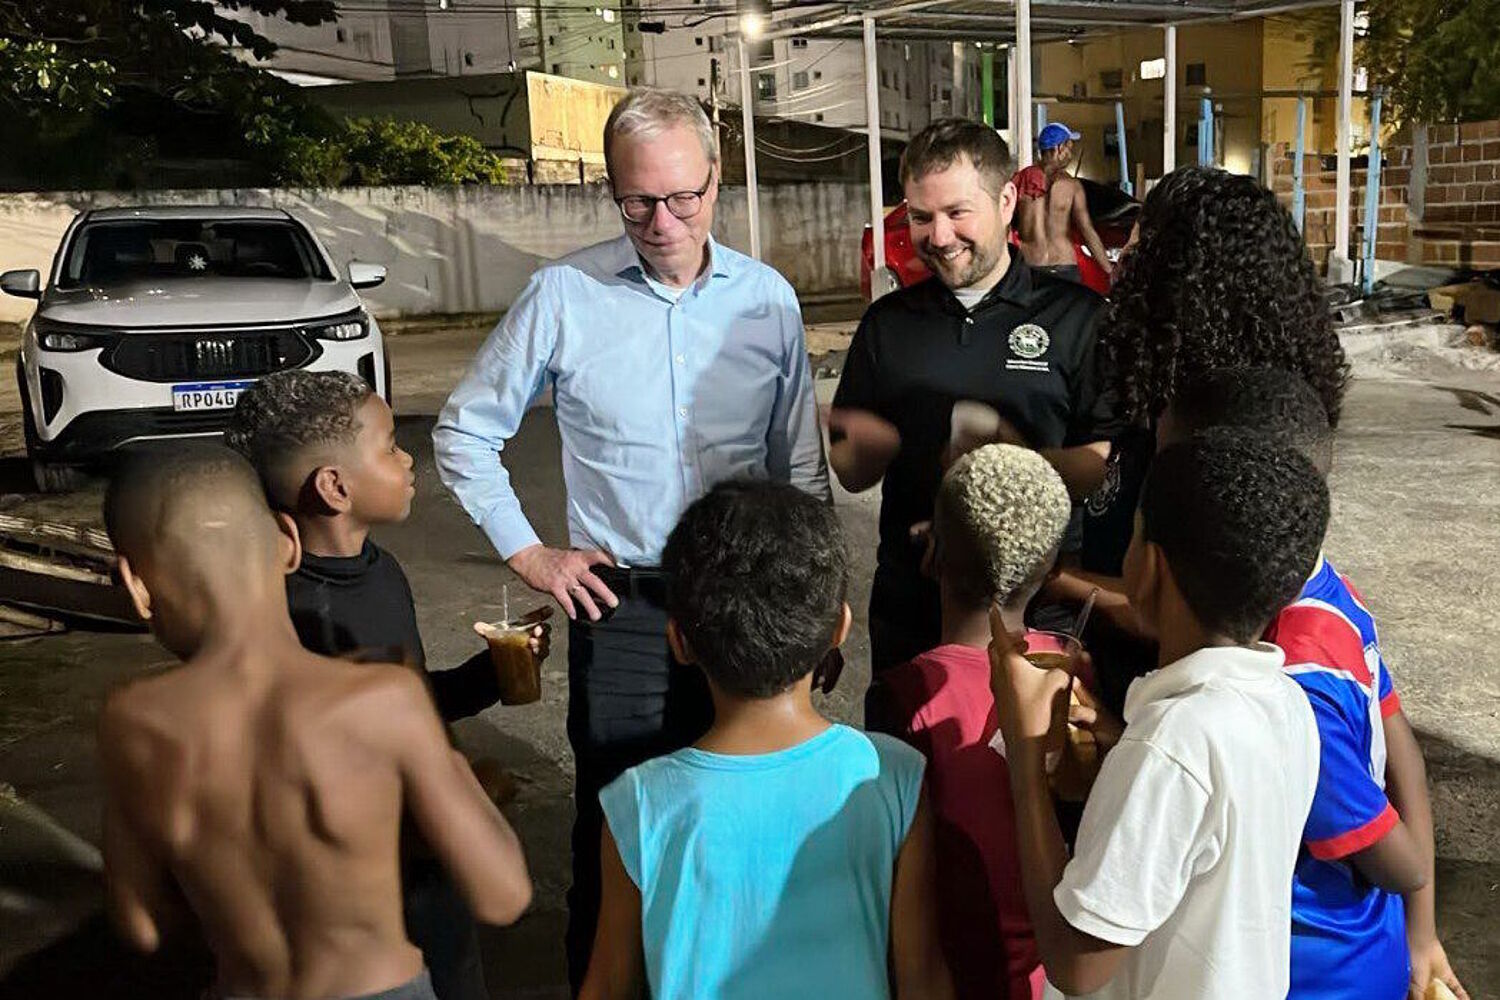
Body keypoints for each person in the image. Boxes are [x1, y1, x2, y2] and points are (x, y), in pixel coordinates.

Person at [432, 87, 829, 989]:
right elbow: (464, 431)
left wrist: (817, 596)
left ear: (716, 182)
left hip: (747, 601)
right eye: (637, 201)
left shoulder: (767, 300)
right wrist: (531, 553)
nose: (662, 221)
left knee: (745, 818)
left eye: (683, 197)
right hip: (624, 609)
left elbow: (797, 470)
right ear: (611, 192)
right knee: (615, 824)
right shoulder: (563, 296)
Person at [96, 445, 532, 1000]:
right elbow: (503, 895)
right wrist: (454, 770)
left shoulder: (132, 724)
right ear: (288, 540)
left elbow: (143, 925)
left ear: (135, 585)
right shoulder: (385, 701)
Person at [225, 369, 548, 1000]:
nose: (407, 460)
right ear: (334, 486)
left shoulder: (380, 571)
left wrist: (493, 674)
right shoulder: (288, 611)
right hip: (360, 910)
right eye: (390, 445)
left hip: (432, 880)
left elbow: (412, 702)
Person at [1159, 368, 1469, 1000]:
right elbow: (1401, 748)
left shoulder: (1291, 678)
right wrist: (1422, 935)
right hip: (1368, 946)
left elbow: (1400, 859)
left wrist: (1420, 927)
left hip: (1313, 971)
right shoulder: (1329, 594)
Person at [579, 481, 953, 1000]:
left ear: (679, 642)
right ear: (840, 629)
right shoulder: (890, 776)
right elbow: (924, 979)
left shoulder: (638, 801)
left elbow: (609, 986)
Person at [991, 431, 1325, 998]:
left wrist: (1023, 754)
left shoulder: (1175, 742)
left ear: (1148, 566)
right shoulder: (1284, 701)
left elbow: (1077, 964)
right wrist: (1121, 744)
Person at [1047, 165, 1350, 717]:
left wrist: (1060, 580)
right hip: (1127, 679)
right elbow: (1119, 468)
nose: (1125, 267)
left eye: (1142, 255)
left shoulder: (1234, 429)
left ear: (1191, 281)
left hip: (1172, 708)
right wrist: (1030, 461)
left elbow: (1189, 606)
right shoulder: (1167, 384)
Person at [828, 117, 1113, 700]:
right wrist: (857, 442)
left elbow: (1098, 468)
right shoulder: (888, 325)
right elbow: (856, 476)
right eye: (920, 217)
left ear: (1007, 200)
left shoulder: (1078, 319)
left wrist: (1009, 458)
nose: (938, 236)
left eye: (958, 213)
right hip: (912, 606)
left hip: (1037, 607)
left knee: (1037, 777)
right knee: (912, 777)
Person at [872, 444, 1074, 1000]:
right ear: (1054, 569)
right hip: (1054, 974)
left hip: (952, 977)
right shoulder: (1071, 668)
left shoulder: (901, 698)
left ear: (932, 551)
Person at [1012, 122, 1112, 285]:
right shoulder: (1072, 186)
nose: (1070, 154)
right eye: (1069, 148)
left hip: (1030, 265)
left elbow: (1002, 224)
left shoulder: (1020, 181)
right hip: (1064, 266)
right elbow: (1087, 232)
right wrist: (1109, 271)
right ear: (1059, 148)